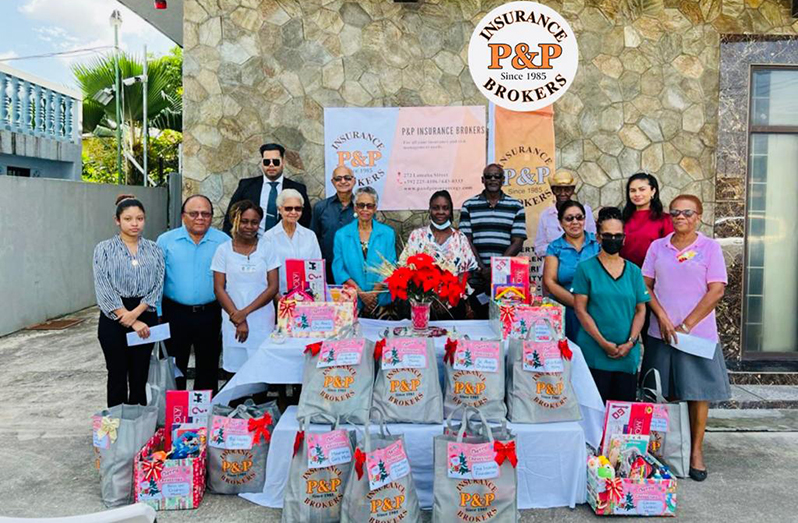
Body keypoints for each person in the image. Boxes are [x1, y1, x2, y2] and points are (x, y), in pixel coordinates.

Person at [641, 194, 730, 482]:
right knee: (665, 393)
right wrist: (664, 318)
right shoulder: (658, 247)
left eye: (688, 212)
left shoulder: (710, 248)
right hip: (662, 333)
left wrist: (687, 325)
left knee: (697, 393)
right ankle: (666, 450)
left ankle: (695, 452)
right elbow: (646, 286)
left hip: (697, 336)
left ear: (699, 216)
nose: (681, 217)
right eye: (676, 212)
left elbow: (716, 290)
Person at [572, 207, 650, 403]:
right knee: (594, 416)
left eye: (617, 236)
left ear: (624, 239)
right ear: (598, 237)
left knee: (622, 420)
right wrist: (603, 343)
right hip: (594, 354)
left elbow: (641, 309)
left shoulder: (633, 271)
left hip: (627, 356)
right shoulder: (586, 269)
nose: (613, 240)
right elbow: (581, 310)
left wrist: (631, 342)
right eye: (608, 235)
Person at [93, 194, 165, 407]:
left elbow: (158, 285)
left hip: (145, 314)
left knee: (139, 373)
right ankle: (116, 426)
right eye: (128, 219)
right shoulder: (103, 249)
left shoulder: (154, 249)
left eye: (140, 218)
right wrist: (131, 319)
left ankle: (139, 425)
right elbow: (103, 287)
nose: (135, 223)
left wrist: (138, 314)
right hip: (114, 318)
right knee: (116, 373)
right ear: (117, 220)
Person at [156, 194, 228, 395]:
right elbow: (156, 279)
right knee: (174, 367)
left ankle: (203, 415)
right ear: (183, 216)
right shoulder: (165, 241)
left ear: (211, 217)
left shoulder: (223, 242)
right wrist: (158, 313)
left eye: (205, 214)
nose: (200, 218)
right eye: (194, 213)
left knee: (208, 365)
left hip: (210, 313)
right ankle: (175, 413)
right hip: (174, 313)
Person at [212, 201, 280, 373]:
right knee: (234, 367)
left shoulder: (268, 248)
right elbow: (219, 289)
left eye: (254, 222)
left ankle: (260, 400)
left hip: (261, 318)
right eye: (244, 221)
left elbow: (273, 287)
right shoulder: (223, 250)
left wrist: (244, 313)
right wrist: (238, 317)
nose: (249, 226)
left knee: (261, 368)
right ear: (235, 221)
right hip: (232, 318)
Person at [459, 163, 527, 316]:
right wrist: (483, 269)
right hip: (475, 278)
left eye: (497, 176)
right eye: (489, 176)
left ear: (503, 180)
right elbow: (465, 241)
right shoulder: (469, 205)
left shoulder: (516, 206)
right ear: (483, 180)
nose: (493, 179)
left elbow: (517, 242)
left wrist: (496, 270)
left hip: (505, 281)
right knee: (475, 322)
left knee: (504, 322)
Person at [399, 190, 479, 319]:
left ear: (451, 211)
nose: (440, 212)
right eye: (436, 208)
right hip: (422, 304)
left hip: (453, 306)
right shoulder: (418, 236)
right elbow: (406, 268)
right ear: (429, 210)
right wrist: (430, 296)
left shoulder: (460, 238)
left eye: (445, 208)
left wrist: (446, 296)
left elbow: (465, 272)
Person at [332, 187, 396, 318]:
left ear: (375, 208)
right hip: (352, 302)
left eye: (369, 206)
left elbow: (390, 266)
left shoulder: (388, 233)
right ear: (355, 207)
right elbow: (339, 269)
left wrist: (373, 295)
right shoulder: (341, 235)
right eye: (361, 205)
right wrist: (361, 294)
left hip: (381, 301)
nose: (365, 209)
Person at [222, 143, 312, 237]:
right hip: (253, 244)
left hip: (284, 244)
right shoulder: (246, 186)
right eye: (267, 162)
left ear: (283, 162)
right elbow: (231, 216)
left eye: (276, 162)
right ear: (262, 163)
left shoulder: (297, 189)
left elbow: (305, 220)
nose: (271, 165)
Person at [542, 200, 601, 342]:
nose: (575, 222)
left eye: (579, 217)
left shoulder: (597, 244)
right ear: (561, 223)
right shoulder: (554, 248)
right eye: (569, 218)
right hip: (566, 311)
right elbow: (549, 282)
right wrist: (579, 304)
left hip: (596, 309)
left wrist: (590, 306)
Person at [261, 188, 322, 296]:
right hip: (279, 297)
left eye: (297, 208)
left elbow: (317, 269)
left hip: (307, 297)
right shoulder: (269, 237)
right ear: (279, 209)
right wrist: (280, 302)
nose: (293, 212)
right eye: (288, 208)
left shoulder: (310, 236)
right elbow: (265, 273)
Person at [534, 170, 596, 257]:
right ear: (552, 191)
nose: (562, 193)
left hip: (580, 264)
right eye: (558, 190)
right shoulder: (545, 215)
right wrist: (560, 250)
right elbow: (539, 248)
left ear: (573, 190)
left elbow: (593, 241)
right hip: (553, 266)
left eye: (567, 189)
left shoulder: (585, 211)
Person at [311, 165, 356, 282]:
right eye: (338, 178)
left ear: (354, 180)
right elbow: (314, 238)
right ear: (332, 182)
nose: (343, 181)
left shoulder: (363, 208)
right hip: (327, 268)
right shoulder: (320, 207)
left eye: (347, 178)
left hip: (355, 267)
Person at [621, 172, 673, 267]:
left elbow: (669, 251)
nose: (637, 194)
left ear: (653, 191)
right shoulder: (622, 219)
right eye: (632, 190)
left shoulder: (665, 220)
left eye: (642, 189)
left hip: (653, 273)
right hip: (624, 272)